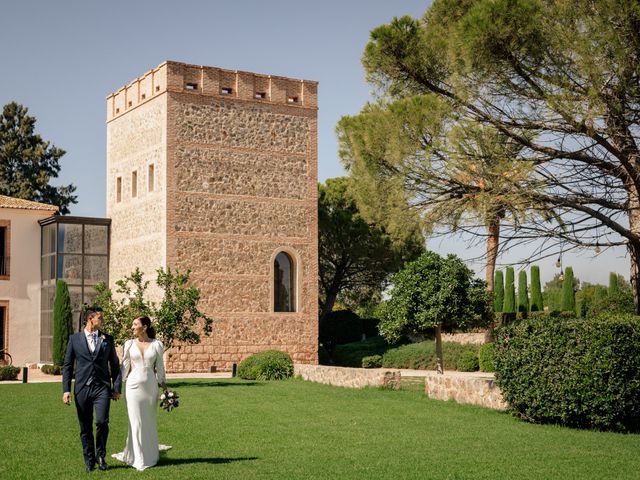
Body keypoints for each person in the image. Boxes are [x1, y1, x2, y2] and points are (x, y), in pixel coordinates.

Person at [62, 307, 122, 472]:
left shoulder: (107, 339)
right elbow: (67, 366)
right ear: (90, 319)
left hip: (102, 388)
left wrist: (116, 388)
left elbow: (115, 366)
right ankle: (89, 460)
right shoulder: (74, 339)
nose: (102, 321)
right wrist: (66, 390)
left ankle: (101, 456)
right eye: (100, 318)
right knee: (85, 426)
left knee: (102, 422)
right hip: (82, 389)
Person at [112, 316, 169, 471]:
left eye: (135, 324)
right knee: (135, 422)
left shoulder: (157, 344)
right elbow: (124, 367)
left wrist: (165, 389)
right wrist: (117, 387)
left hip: (151, 388)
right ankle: (138, 459)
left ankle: (151, 455)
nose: (132, 327)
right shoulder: (129, 344)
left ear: (144, 327)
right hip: (133, 387)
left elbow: (160, 368)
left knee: (149, 421)